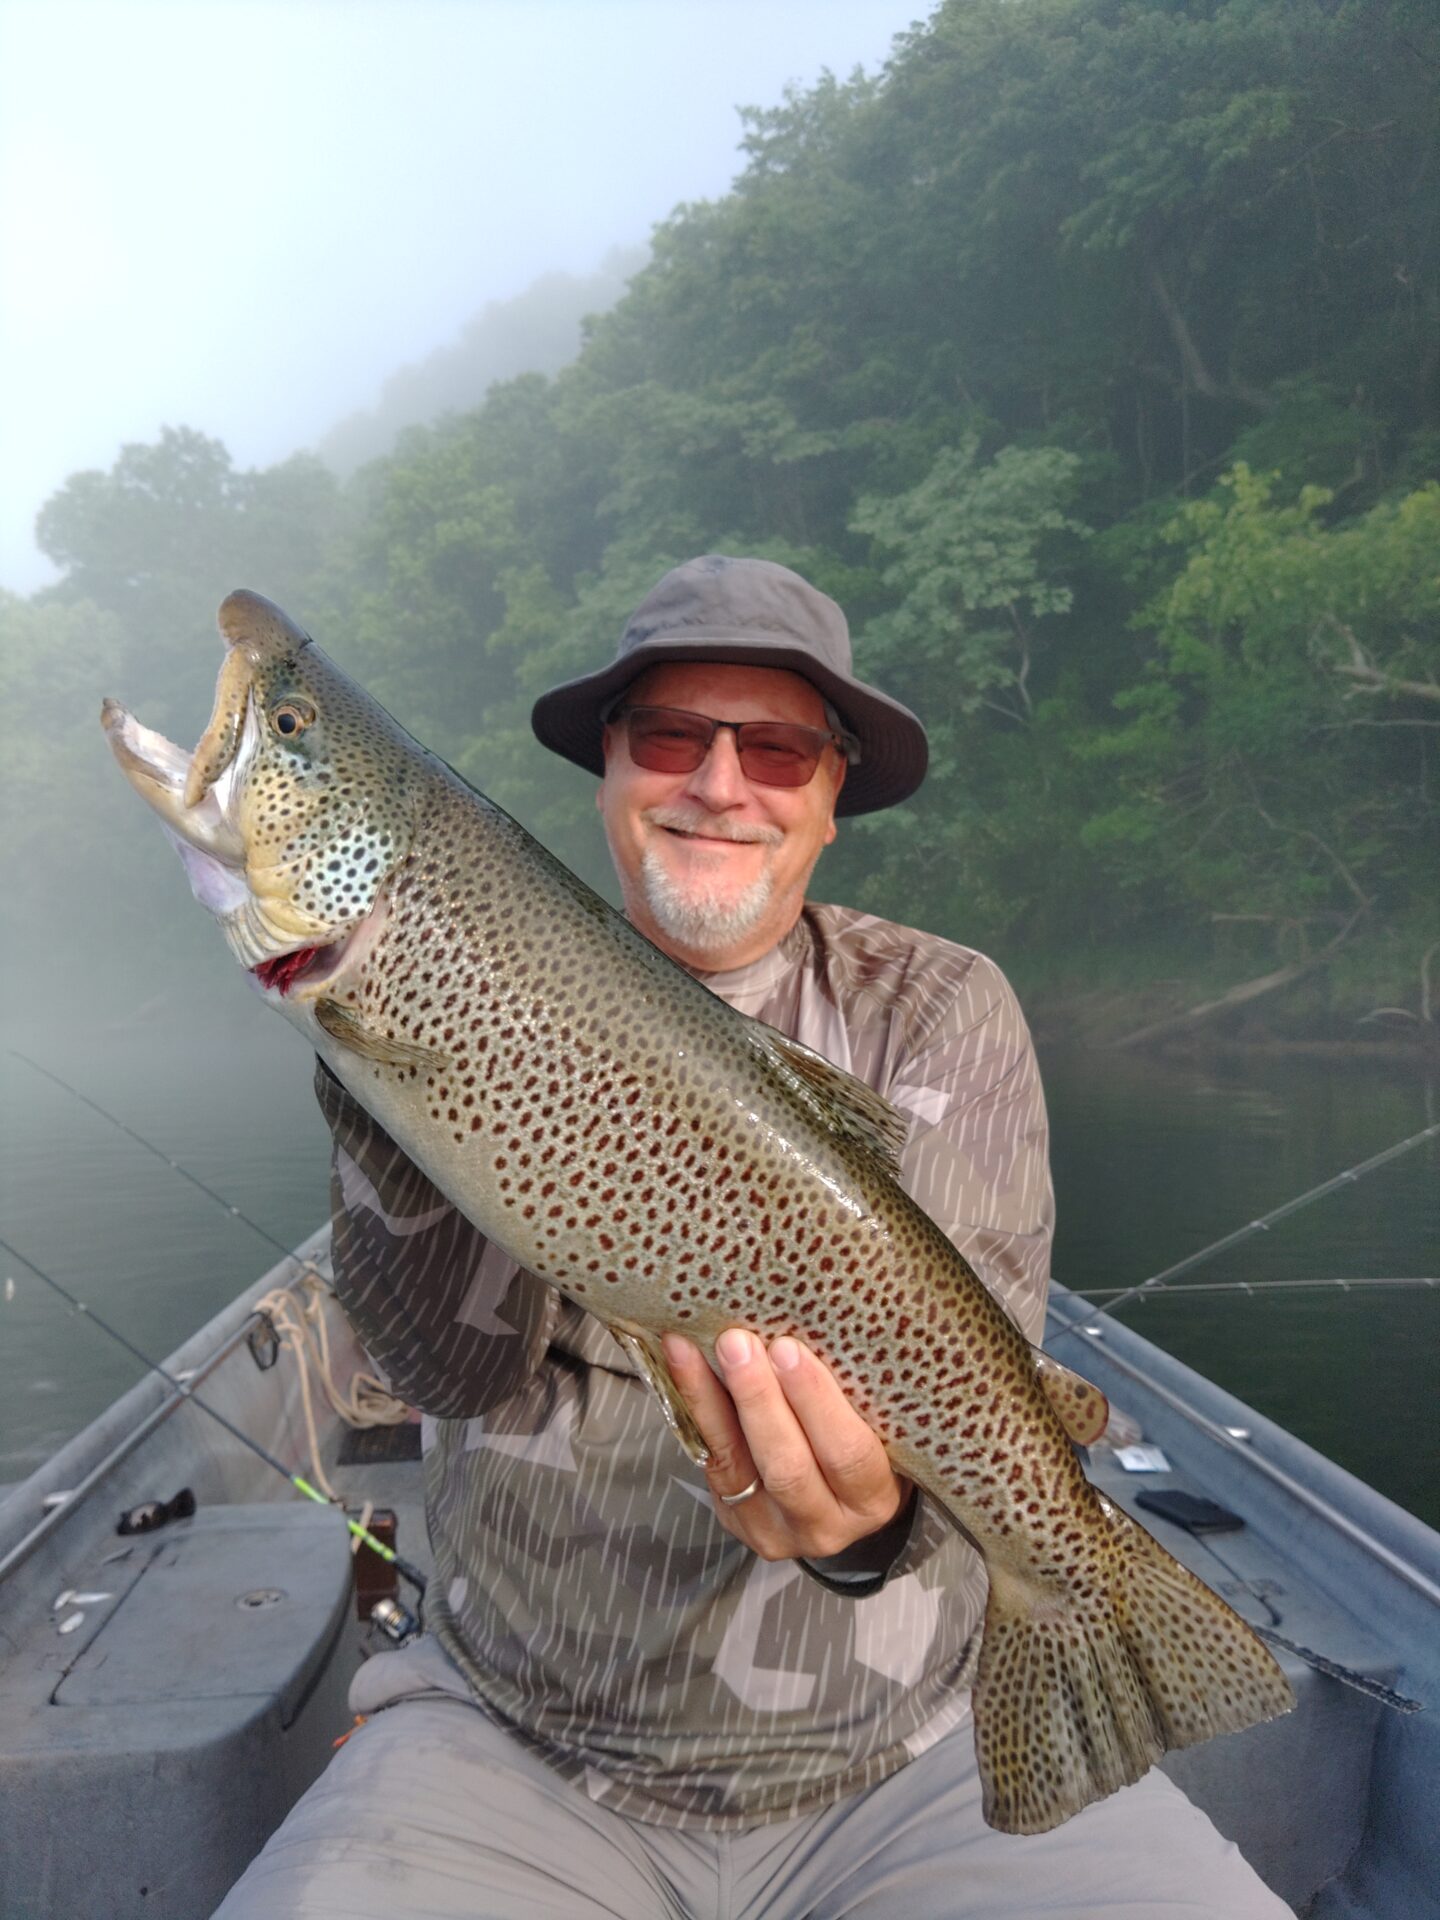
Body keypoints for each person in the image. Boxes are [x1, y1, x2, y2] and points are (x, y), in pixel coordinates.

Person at [216, 557, 1288, 1917]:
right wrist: (371, 1059)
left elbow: (972, 1383)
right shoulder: (476, 972)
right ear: (609, 769)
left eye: (777, 748)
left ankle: (1064, 1602)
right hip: (511, 1743)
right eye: (672, 736)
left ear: (831, 799)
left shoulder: (943, 1004)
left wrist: (867, 1529)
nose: (721, 783)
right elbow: (445, 1373)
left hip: (900, 1756)